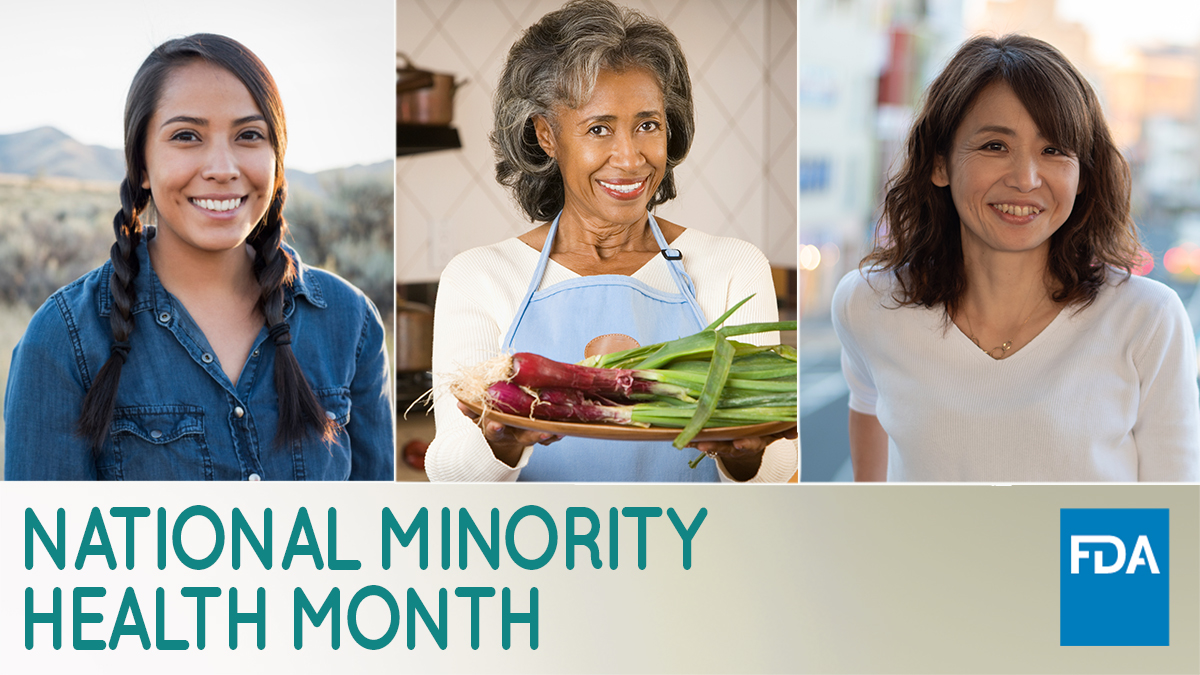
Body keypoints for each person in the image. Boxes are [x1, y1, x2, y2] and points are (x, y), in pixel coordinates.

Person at [425, 0, 797, 482]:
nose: (630, 157)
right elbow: (449, 474)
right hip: (542, 554)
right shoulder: (479, 276)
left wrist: (745, 453)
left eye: (648, 125)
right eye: (599, 129)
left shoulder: (733, 267)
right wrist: (500, 440)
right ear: (547, 135)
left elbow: (778, 470)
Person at [4, 34, 394, 480]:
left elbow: (374, 534)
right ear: (142, 165)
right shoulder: (63, 339)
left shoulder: (350, 322)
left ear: (276, 158)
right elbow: (41, 545)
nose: (223, 167)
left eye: (249, 135)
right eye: (186, 136)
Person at [832, 34, 1200, 482]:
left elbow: (1167, 526)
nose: (1026, 180)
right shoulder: (867, 305)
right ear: (940, 163)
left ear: (1083, 175)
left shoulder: (1148, 320)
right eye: (994, 146)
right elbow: (871, 497)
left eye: (1053, 151)